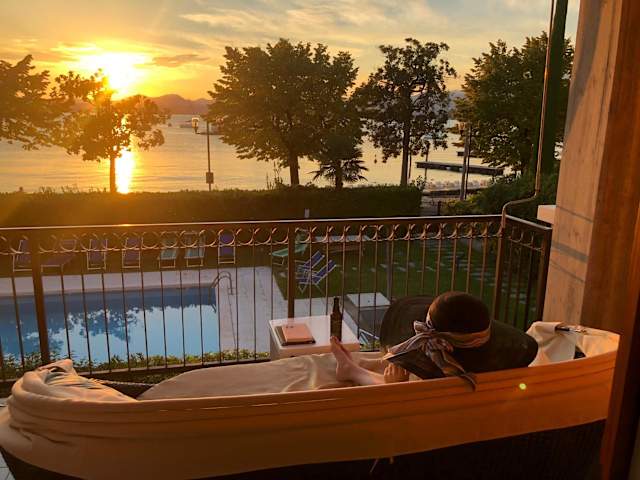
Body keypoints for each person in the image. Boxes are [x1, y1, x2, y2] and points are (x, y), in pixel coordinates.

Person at [330, 291, 538, 387]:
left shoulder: (445, 383)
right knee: (402, 365)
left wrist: (396, 389)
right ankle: (364, 364)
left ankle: (353, 370)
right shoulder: (502, 367)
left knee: (394, 379)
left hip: (420, 407)